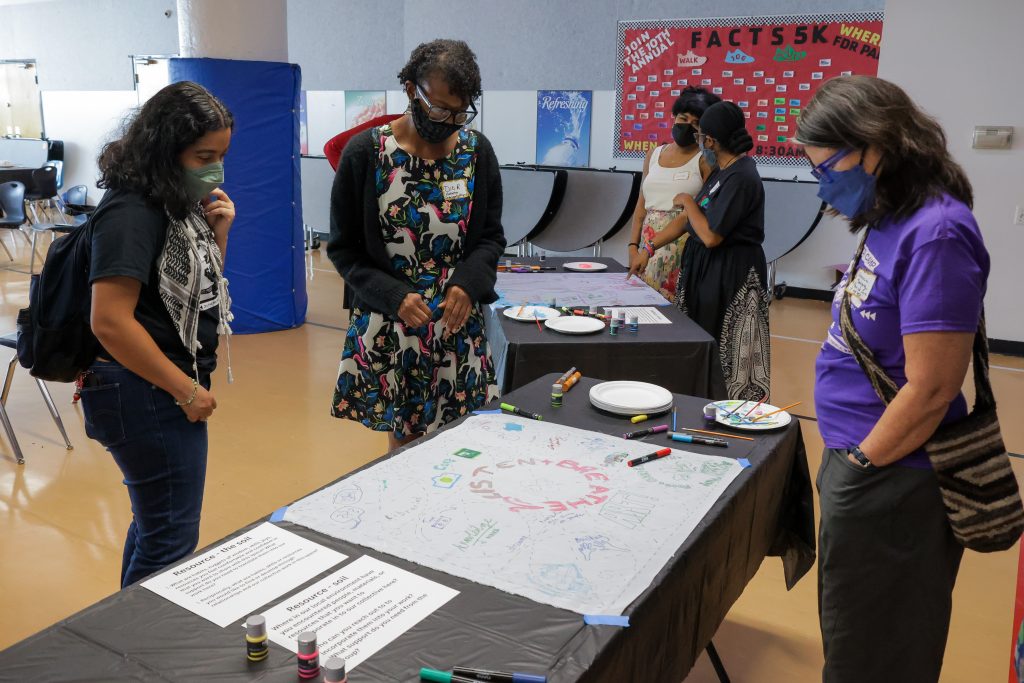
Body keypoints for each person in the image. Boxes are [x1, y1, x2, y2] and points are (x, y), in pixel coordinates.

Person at [797, 75, 990, 682]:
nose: (825, 185)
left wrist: (860, 467)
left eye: (829, 167)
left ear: (877, 145)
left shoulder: (937, 232)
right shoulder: (891, 216)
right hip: (866, 466)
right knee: (856, 643)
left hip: (894, 480)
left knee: (877, 657)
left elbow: (934, 388)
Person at [82, 81, 235, 587]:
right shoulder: (131, 211)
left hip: (156, 386)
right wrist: (185, 389)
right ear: (165, 150)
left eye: (221, 155)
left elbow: (196, 295)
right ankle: (137, 657)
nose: (214, 168)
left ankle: (120, 641)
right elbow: (109, 320)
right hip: (143, 392)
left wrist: (219, 235)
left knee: (156, 528)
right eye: (203, 155)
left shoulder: (173, 202)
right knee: (169, 541)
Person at [328, 39, 505, 452]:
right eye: (440, 109)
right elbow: (343, 250)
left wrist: (467, 282)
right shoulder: (366, 154)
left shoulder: (476, 152)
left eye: (461, 112)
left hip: (457, 326)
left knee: (464, 444)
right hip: (394, 326)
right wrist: (394, 296)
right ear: (411, 89)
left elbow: (490, 237)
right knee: (405, 447)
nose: (450, 121)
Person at [670, 101, 769, 401]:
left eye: (700, 136)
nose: (699, 142)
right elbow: (697, 221)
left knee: (732, 351)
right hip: (709, 272)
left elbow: (712, 235)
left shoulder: (741, 176)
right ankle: (701, 401)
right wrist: (648, 247)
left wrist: (687, 201)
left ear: (710, 140)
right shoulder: (721, 171)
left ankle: (730, 411)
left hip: (732, 274)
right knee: (704, 343)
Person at [626, 87, 720, 299]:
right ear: (674, 117)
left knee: (676, 310)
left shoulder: (705, 160)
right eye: (682, 118)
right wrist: (633, 246)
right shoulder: (654, 153)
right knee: (642, 305)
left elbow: (707, 209)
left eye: (695, 123)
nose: (687, 126)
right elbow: (641, 206)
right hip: (647, 246)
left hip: (684, 246)